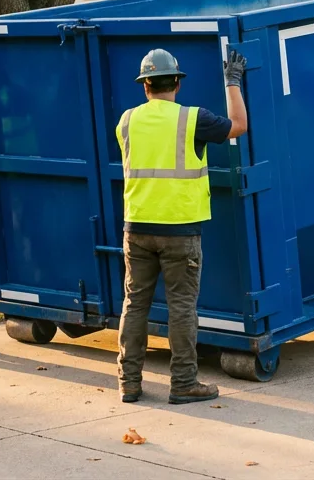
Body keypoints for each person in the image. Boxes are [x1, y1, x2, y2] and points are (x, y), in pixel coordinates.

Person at [115, 47, 248, 405]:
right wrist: (232, 82)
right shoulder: (193, 119)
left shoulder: (126, 121)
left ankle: (129, 383)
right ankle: (184, 383)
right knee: (182, 307)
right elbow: (239, 126)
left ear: (145, 86)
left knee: (135, 304)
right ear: (177, 82)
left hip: (137, 228)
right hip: (180, 230)